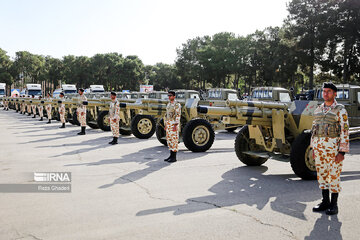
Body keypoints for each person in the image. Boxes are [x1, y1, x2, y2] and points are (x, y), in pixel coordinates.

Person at [311, 82, 350, 215]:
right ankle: (325, 202)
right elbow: (314, 130)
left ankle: (334, 205)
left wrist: (342, 152)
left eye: (328, 91)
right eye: (324, 91)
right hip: (319, 150)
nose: (325, 94)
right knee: (322, 176)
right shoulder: (318, 109)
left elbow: (345, 131)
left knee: (334, 176)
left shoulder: (340, 110)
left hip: (333, 150)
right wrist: (313, 149)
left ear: (334, 94)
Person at [164, 90, 181, 163]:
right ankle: (171, 155)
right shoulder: (168, 104)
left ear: (174, 96)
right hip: (168, 123)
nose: (169, 97)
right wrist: (165, 124)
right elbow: (166, 114)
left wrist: (175, 125)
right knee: (169, 140)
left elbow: (178, 115)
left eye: (170, 95)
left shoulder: (177, 105)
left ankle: (174, 157)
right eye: (168, 95)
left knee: (174, 140)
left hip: (173, 124)